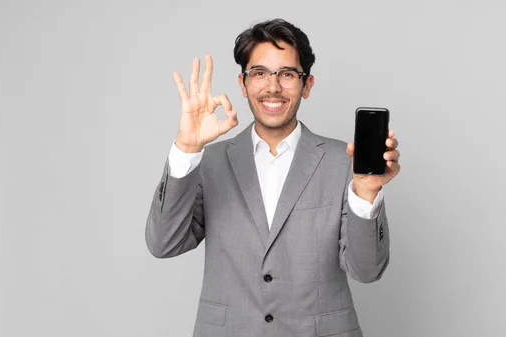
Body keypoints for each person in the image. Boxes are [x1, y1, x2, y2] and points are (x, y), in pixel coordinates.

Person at [145, 18, 401, 337]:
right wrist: (187, 147)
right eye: (260, 73)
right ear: (243, 84)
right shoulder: (208, 161)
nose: (273, 87)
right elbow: (163, 243)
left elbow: (367, 271)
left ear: (307, 85)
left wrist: (366, 192)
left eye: (287, 74)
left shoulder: (344, 162)